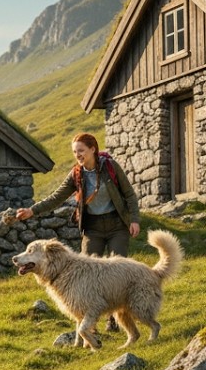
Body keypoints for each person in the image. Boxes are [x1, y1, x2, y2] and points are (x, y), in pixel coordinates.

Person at [14, 132, 140, 331]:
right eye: (75, 152)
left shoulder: (110, 167)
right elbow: (56, 197)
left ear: (93, 149)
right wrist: (32, 210)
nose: (78, 155)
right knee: (88, 274)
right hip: (92, 228)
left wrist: (134, 220)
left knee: (118, 270)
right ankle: (90, 324)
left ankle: (115, 320)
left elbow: (129, 195)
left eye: (81, 150)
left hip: (117, 225)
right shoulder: (76, 174)